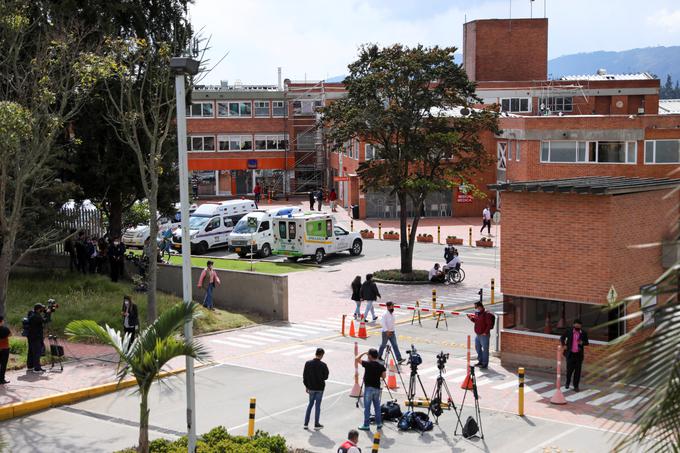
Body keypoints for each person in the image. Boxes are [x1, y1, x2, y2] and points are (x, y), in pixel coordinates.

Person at [356, 348, 386, 431]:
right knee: (377, 407)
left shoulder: (367, 364)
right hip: (377, 388)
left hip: (369, 388)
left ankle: (366, 425)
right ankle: (379, 423)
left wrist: (363, 353)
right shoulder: (381, 366)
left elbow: (357, 359)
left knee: (367, 408)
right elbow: (384, 376)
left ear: (369, 355)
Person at [302, 347, 329, 430]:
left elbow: (304, 376)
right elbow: (326, 377)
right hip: (320, 388)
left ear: (316, 353)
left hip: (311, 388)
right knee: (317, 406)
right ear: (321, 355)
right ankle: (316, 424)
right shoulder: (323, 365)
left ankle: (306, 423)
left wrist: (306, 386)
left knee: (310, 404)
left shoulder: (308, 363)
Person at [560, 319, 589, 392]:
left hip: (579, 356)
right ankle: (567, 383)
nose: (577, 325)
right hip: (570, 354)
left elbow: (587, 343)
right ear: (573, 325)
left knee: (578, 372)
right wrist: (564, 345)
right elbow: (562, 338)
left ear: (581, 326)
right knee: (569, 371)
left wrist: (582, 342)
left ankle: (576, 386)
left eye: (579, 324)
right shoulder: (569, 331)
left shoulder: (583, 333)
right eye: (576, 324)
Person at [466, 302, 493, 369]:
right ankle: (480, 361)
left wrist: (485, 332)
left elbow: (489, 324)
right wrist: (471, 318)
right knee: (477, 348)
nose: (475, 309)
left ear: (480, 307)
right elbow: (476, 321)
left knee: (485, 349)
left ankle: (484, 364)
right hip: (478, 334)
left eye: (476, 307)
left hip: (484, 335)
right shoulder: (477, 313)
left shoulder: (486, 314)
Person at [26, 303, 47, 373]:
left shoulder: (32, 314)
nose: (42, 310)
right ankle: (37, 368)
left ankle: (30, 366)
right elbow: (45, 321)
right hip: (36, 337)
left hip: (31, 337)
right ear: (38, 309)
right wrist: (48, 314)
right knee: (37, 352)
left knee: (31, 352)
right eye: (41, 309)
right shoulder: (36, 316)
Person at [0, 316, 10, 384]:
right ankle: (2, 379)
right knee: (3, 365)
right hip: (5, 348)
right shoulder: (5, 329)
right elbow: (10, 335)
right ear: (1, 321)